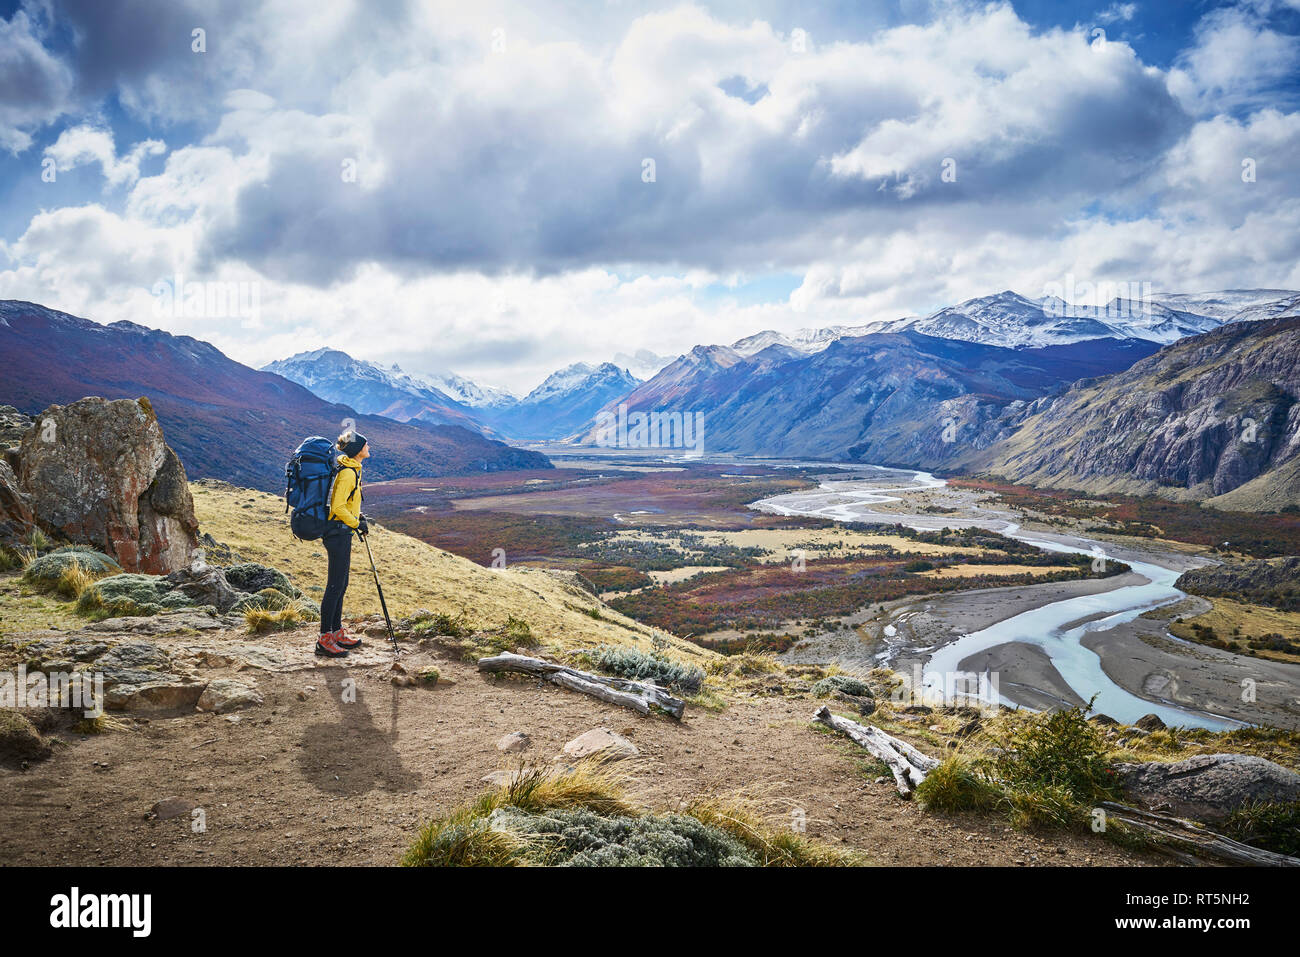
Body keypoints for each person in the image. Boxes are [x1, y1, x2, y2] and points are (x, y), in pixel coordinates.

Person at [315, 430, 371, 658]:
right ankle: (324, 639)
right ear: (358, 450)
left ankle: (336, 632)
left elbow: (346, 503)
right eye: (366, 445)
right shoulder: (348, 473)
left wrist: (359, 517)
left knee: (342, 583)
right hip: (337, 533)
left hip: (341, 531)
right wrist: (356, 522)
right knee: (335, 586)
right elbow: (338, 507)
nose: (369, 447)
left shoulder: (352, 469)